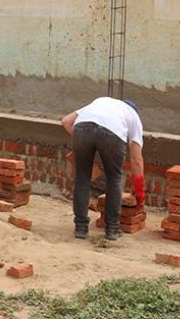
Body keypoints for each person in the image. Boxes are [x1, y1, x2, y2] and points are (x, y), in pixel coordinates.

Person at [60, 97, 145, 240]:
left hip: (82, 128)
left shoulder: (101, 101)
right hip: (112, 134)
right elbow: (137, 160)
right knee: (114, 179)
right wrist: (140, 192)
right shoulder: (133, 115)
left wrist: (83, 144)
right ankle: (112, 229)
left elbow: (66, 121)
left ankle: (80, 227)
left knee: (82, 176)